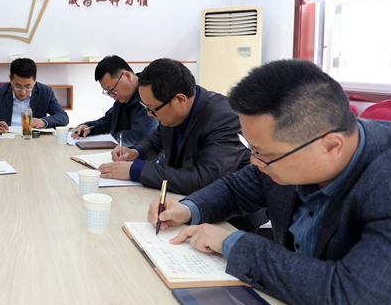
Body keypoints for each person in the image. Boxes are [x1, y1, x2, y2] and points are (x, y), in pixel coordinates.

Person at [149, 59, 391, 305]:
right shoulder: (288, 151)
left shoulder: (390, 180)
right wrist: (186, 208)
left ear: (331, 147)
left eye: (264, 154)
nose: (255, 162)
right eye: (251, 148)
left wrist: (235, 244)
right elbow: (236, 189)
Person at [100, 58, 267, 231]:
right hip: (184, 205)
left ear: (179, 100)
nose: (149, 114)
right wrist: (136, 152)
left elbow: (205, 179)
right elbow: (156, 140)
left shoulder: (223, 118)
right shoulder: (172, 111)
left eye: (152, 109)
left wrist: (136, 170)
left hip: (230, 220)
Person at [71, 56, 157, 146]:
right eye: (108, 92)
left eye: (112, 90)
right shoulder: (124, 97)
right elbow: (110, 120)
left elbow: (140, 136)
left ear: (127, 76)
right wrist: (90, 127)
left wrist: (107, 141)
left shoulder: (149, 97)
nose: (111, 95)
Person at [0, 57, 69, 134]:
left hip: (34, 138)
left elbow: (63, 117)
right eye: (18, 86)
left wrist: (43, 122)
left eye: (28, 87)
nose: (23, 92)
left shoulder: (45, 92)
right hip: (7, 137)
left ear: (35, 80)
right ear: (10, 79)